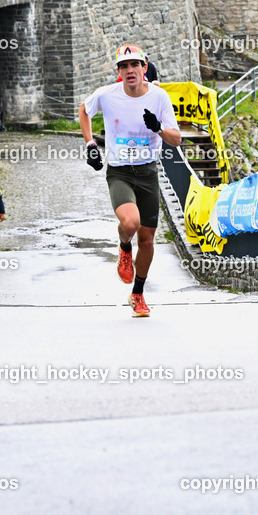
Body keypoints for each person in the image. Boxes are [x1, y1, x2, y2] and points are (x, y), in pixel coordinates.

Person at [79, 44, 181, 317]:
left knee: (147, 241)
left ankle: (138, 294)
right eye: (124, 66)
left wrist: (157, 128)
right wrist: (90, 144)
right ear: (119, 72)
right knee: (131, 223)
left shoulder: (159, 98)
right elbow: (84, 110)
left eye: (135, 65)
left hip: (148, 172)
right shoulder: (107, 95)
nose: (130, 70)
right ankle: (124, 247)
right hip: (120, 172)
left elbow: (177, 139)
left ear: (144, 68)